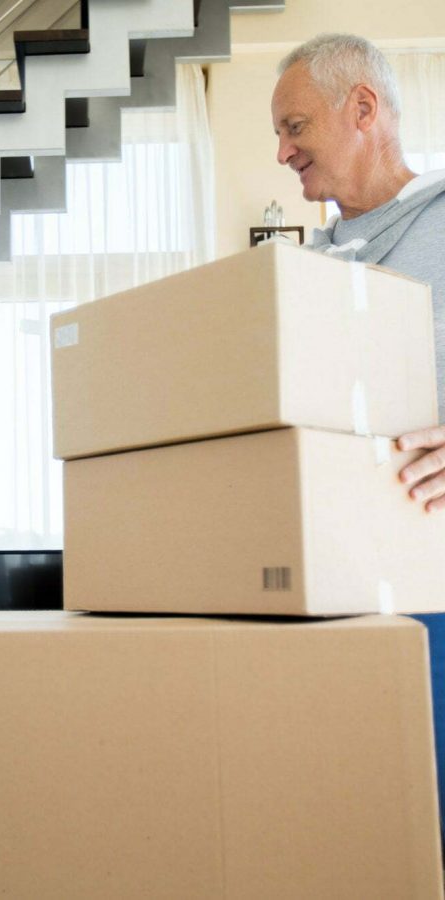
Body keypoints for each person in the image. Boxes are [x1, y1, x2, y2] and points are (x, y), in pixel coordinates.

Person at [272, 32, 445, 842]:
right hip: (324, 595)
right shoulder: (299, 269)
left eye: (296, 126)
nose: (282, 152)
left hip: (432, 597)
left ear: (363, 109)